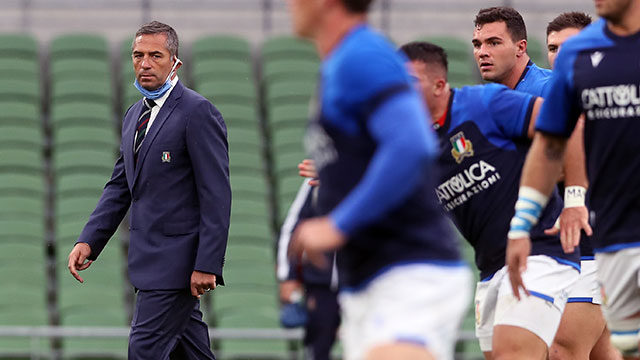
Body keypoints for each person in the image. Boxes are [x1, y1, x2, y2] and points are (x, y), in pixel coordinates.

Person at [285, 0, 472, 359]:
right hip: (369, 282)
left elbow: (412, 145)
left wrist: (338, 224)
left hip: (409, 272)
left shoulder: (362, 55)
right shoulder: (341, 61)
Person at [399, 41, 579, 360]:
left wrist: (575, 196)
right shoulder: (413, 147)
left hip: (539, 252)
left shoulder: (485, 103)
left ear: (440, 85)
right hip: (491, 267)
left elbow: (566, 122)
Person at [66, 21, 231, 359]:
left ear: (175, 63)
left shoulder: (197, 112)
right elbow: (120, 187)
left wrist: (208, 263)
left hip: (177, 267)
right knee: (192, 353)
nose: (145, 63)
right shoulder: (133, 117)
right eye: (138, 55)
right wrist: (89, 240)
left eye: (156, 55)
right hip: (149, 264)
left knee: (143, 351)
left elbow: (217, 195)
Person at [506, 0, 640, 358]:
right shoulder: (577, 56)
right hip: (608, 234)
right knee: (625, 346)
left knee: (566, 347)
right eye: (552, 47)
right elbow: (552, 143)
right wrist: (522, 224)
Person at [545, 12, 622, 360]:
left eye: (570, 46)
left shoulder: (616, 97)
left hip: (600, 248)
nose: (560, 55)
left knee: (564, 350)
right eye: (552, 48)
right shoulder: (546, 101)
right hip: (565, 250)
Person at [277, 179, 340, 360]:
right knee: (318, 344)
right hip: (321, 284)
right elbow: (292, 227)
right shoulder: (315, 180)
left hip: (363, 279)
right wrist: (287, 276)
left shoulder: (374, 172)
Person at [472, 6, 551, 97]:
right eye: (477, 45)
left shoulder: (552, 91)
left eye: (494, 43)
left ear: (520, 48)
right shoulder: (487, 98)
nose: (482, 53)